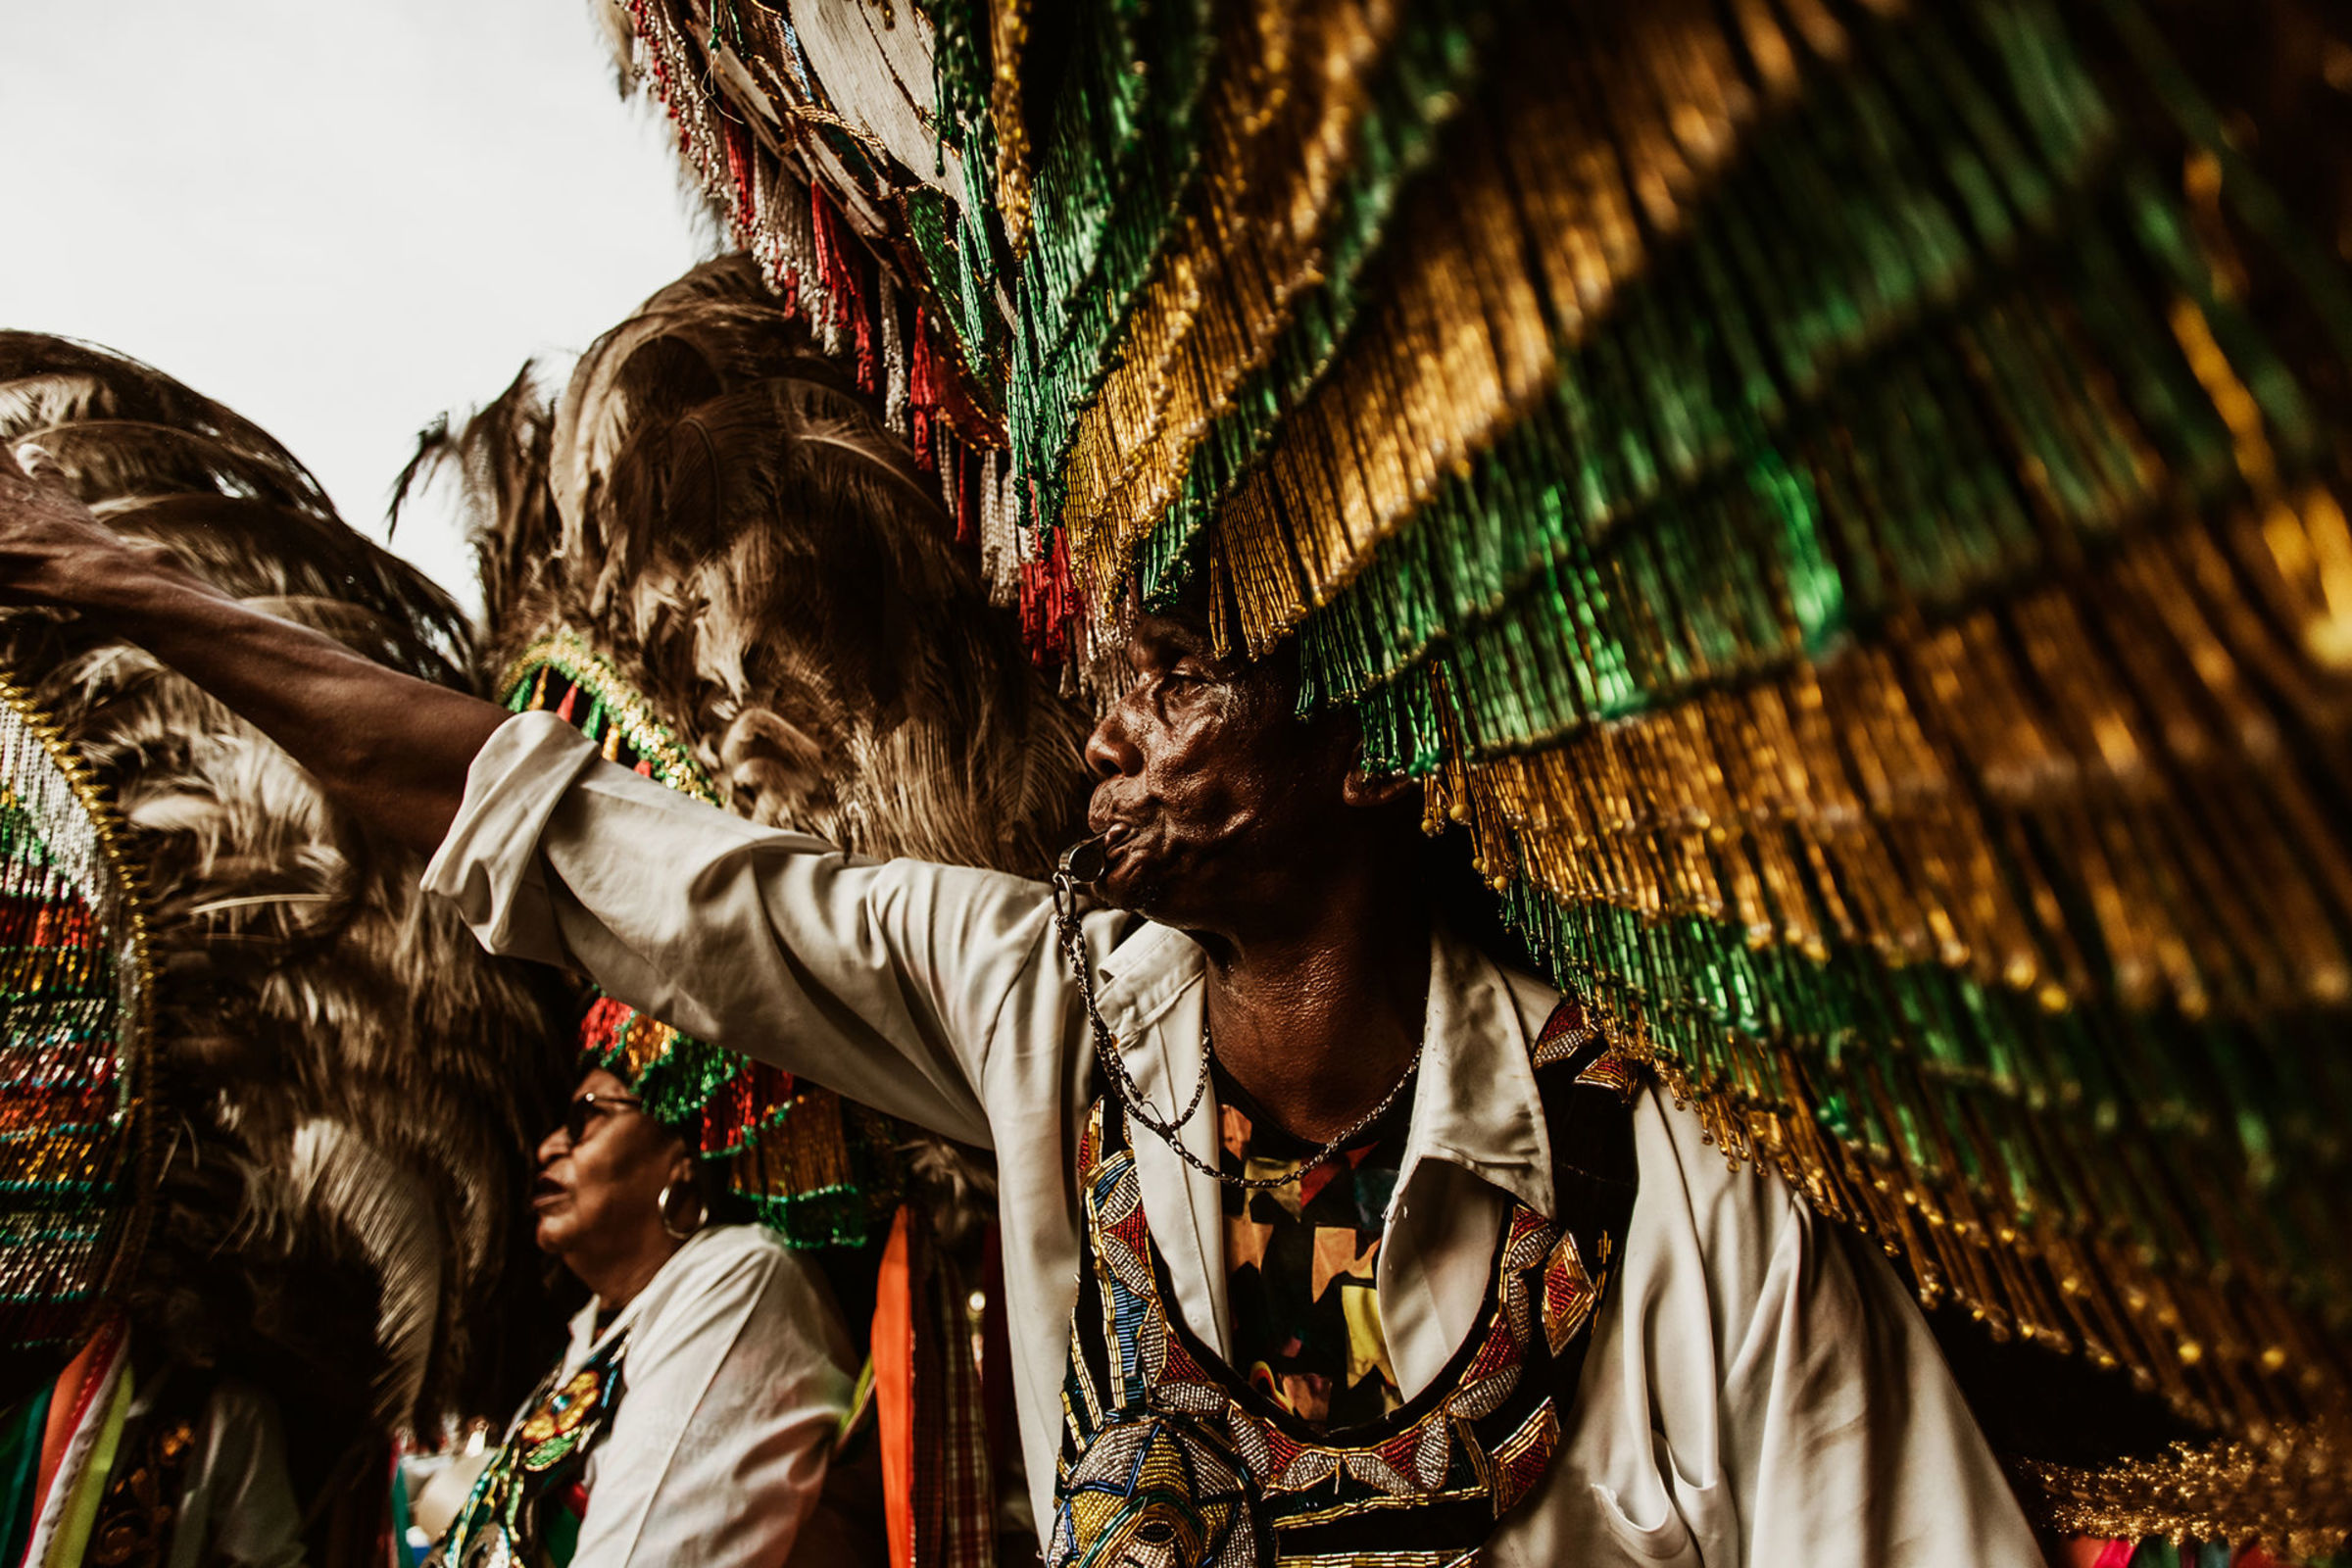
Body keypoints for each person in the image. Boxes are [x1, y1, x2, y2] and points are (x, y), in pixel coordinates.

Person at [0, 446, 2043, 1564]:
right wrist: (127, 583)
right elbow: (547, 826)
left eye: (1176, 666)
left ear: (1374, 741)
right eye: (1110, 666)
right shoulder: (1039, 1008)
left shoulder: (1685, 1210)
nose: (1103, 712)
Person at [426, 1062, 865, 1568]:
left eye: (585, 1118)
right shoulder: (588, 1339)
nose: (548, 1146)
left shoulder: (737, 1276)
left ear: (682, 1156)